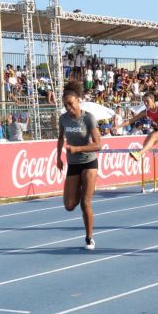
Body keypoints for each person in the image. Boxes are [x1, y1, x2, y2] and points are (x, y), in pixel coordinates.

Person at [56, 81, 102, 250]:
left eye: (70, 103)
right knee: (69, 205)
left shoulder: (88, 118)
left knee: (85, 203)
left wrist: (77, 148)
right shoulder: (63, 119)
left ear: (78, 101)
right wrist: (58, 158)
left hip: (89, 162)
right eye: (65, 104)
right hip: (72, 163)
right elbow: (60, 138)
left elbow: (98, 145)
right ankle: (82, 191)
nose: (68, 107)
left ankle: (89, 238)